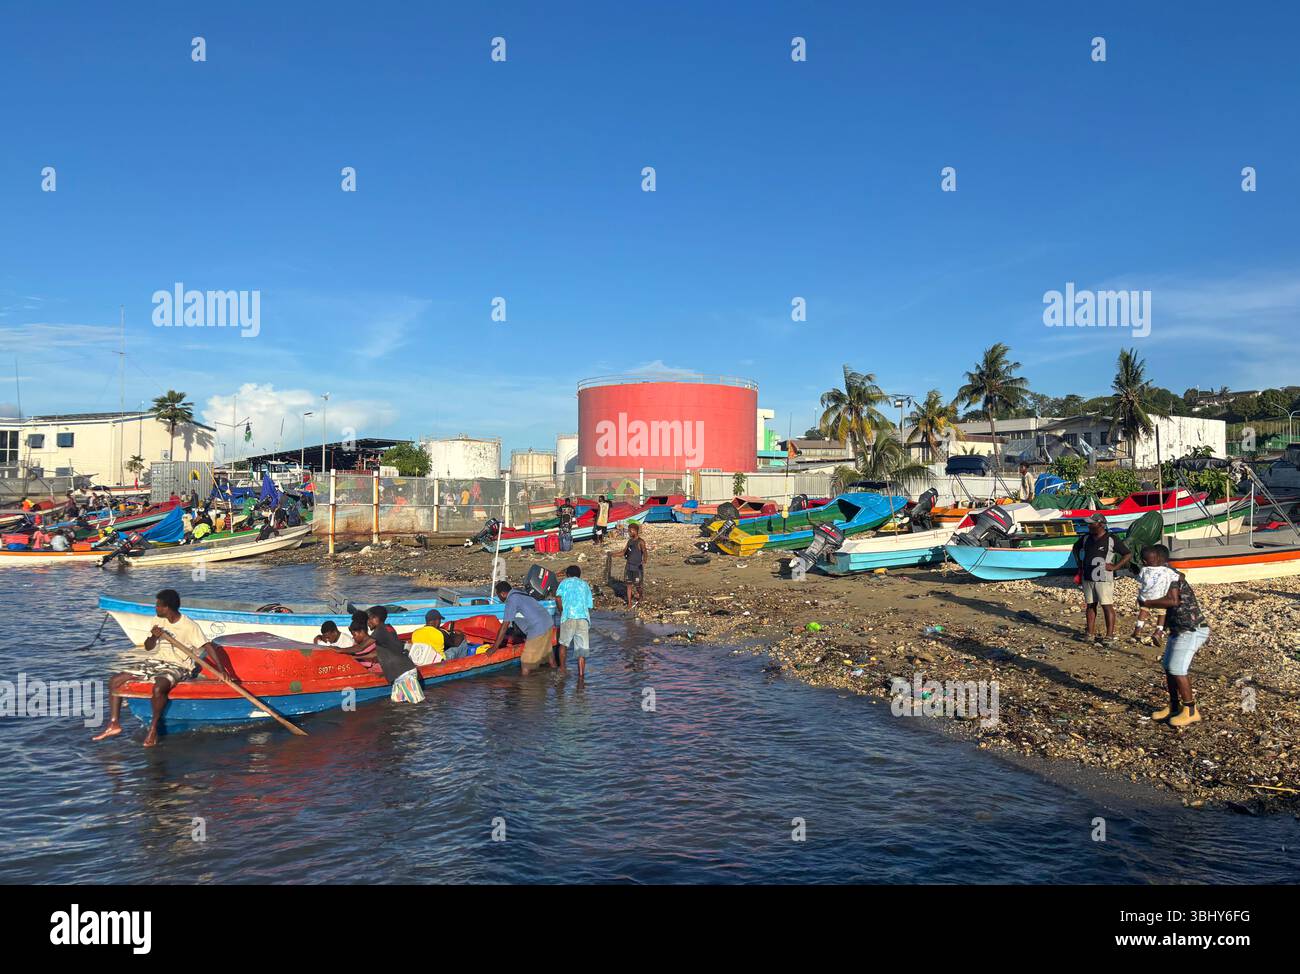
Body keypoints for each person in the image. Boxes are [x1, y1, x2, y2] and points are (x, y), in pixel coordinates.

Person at [93, 589, 225, 747]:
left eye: (158, 606)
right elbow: (149, 647)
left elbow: (207, 646)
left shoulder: (189, 626)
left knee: (158, 687)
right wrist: (154, 636)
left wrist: (221, 671)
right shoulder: (158, 620)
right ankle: (114, 724)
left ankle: (153, 729)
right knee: (115, 680)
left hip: (180, 665)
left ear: (167, 608)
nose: (155, 608)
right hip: (157, 661)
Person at [1138, 545, 1210, 728]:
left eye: (1149, 561)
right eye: (1144, 560)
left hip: (1192, 629)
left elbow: (1173, 600)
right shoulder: (1163, 574)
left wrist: (1148, 602)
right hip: (1178, 628)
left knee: (1177, 669)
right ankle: (1174, 706)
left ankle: (1190, 710)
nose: (1145, 563)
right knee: (1168, 667)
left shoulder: (1170, 576)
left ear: (1160, 561)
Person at [1069, 514, 1131, 644]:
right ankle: (1089, 633)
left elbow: (1127, 554)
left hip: (1104, 578)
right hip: (1087, 576)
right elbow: (1075, 548)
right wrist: (1078, 562)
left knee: (1106, 605)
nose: (1089, 526)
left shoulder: (1111, 539)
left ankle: (1109, 636)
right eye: (1088, 524)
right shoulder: (1086, 538)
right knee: (1090, 605)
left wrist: (1115, 567)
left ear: (1101, 524)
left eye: (1092, 524)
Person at [491, 580, 554, 675]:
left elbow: (504, 626)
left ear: (503, 594)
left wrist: (494, 647)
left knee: (525, 665)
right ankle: (558, 679)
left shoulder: (511, 599)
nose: (499, 598)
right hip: (547, 622)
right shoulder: (520, 592)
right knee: (549, 656)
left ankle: (527, 688)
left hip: (537, 628)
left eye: (498, 595)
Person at [365, 606, 424, 703]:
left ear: (376, 618)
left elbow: (362, 647)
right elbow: (379, 652)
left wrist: (340, 650)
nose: (368, 622)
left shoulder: (380, 630)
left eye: (369, 619)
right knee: (398, 704)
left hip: (404, 674)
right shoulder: (388, 628)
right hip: (400, 674)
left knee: (417, 703)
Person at [554, 564, 594, 682]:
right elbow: (589, 605)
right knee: (581, 650)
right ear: (579, 575)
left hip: (568, 616)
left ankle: (562, 668)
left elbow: (557, 598)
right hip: (583, 619)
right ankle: (581, 676)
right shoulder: (584, 585)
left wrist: (561, 610)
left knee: (563, 644)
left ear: (568, 574)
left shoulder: (564, 583)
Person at [1131, 558, 1178, 644]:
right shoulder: (1167, 570)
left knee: (1143, 611)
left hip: (1146, 597)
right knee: (1162, 614)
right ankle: (1158, 632)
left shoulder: (1144, 569)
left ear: (1145, 561)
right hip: (1160, 597)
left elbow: (1139, 580)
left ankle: (1138, 630)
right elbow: (1178, 577)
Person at [622, 522, 648, 609]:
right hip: (629, 566)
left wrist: (644, 560)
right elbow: (623, 552)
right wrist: (612, 554)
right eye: (628, 531)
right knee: (629, 585)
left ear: (635, 531)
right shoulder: (629, 541)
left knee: (638, 586)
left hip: (637, 567)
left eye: (630, 531)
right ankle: (629, 603)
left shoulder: (640, 541)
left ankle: (640, 596)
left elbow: (645, 551)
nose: (629, 533)